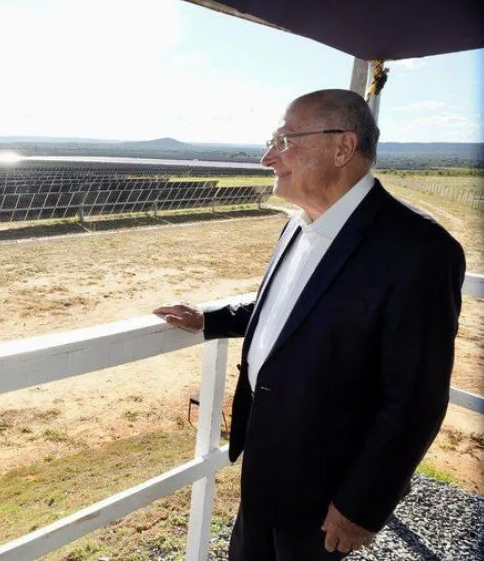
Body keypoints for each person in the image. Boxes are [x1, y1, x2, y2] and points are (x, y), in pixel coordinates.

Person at [154, 89, 465, 560]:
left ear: (342, 147)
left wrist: (362, 505)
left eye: (285, 139)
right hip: (264, 466)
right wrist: (210, 318)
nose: (267, 157)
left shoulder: (419, 250)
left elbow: (415, 399)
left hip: (327, 493)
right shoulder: (299, 223)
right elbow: (287, 309)